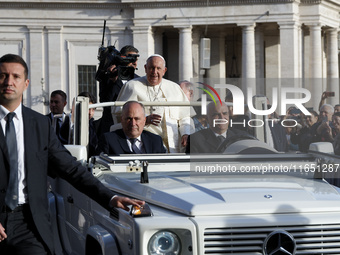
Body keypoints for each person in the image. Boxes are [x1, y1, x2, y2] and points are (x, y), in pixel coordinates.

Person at [0, 54, 144, 254]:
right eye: (3, 75)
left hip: (29, 222)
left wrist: (110, 198)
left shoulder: (40, 125)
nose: (9, 81)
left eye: (15, 76)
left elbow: (70, 168)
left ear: (25, 83)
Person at [113, 54, 194, 153]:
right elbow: (120, 115)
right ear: (145, 68)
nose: (154, 72)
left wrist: (186, 133)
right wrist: (144, 120)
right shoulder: (132, 86)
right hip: (146, 145)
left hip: (174, 145)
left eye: (158, 68)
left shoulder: (174, 88)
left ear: (164, 70)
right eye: (151, 68)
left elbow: (185, 116)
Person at [98, 45, 139, 137]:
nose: (135, 62)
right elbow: (105, 102)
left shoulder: (139, 80)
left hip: (133, 127)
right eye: (131, 59)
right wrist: (114, 81)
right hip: (111, 126)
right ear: (122, 58)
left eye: (136, 59)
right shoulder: (108, 77)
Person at [97, 101, 166, 155]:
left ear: (144, 120)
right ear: (122, 120)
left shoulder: (156, 141)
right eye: (129, 119)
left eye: (137, 119)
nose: (133, 123)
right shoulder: (109, 140)